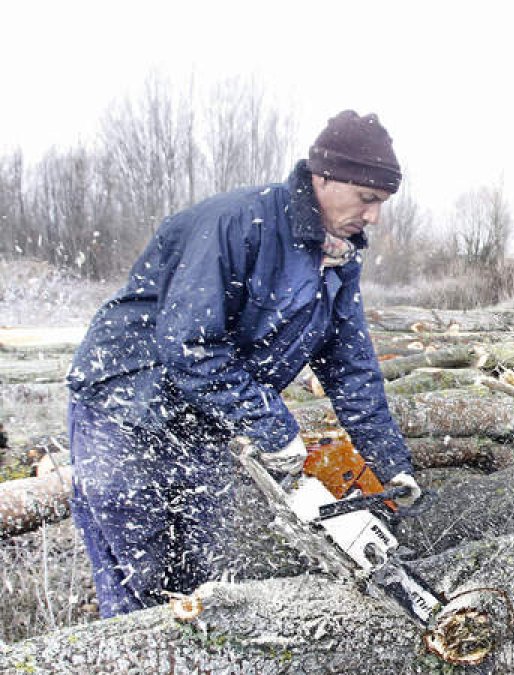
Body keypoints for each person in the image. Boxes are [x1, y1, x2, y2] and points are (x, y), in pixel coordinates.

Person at [66, 110, 419, 617]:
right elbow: (191, 345)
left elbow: (352, 371)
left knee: (197, 580)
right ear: (324, 177)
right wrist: (274, 427)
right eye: (367, 198)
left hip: (201, 420)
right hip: (126, 406)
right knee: (141, 581)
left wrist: (392, 466)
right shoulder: (238, 224)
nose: (374, 217)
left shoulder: (339, 259)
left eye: (381, 202)